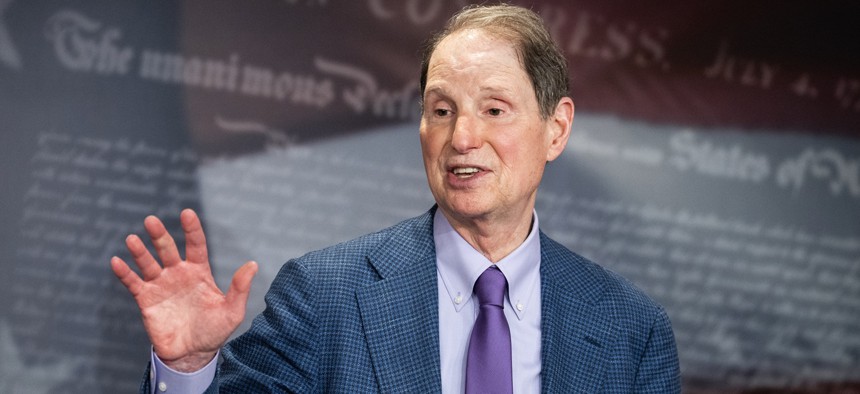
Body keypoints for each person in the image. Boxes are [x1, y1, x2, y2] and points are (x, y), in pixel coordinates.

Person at [111, 4, 681, 393]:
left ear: (556, 129)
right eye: (441, 110)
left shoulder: (631, 330)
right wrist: (187, 369)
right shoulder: (324, 297)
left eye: (494, 109)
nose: (461, 137)